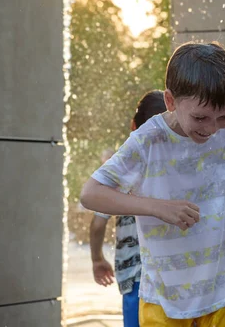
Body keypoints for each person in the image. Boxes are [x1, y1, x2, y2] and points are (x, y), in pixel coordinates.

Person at [80, 42, 225, 326]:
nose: (211, 129)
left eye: (223, 117)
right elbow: (91, 194)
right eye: (201, 117)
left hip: (221, 290)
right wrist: (157, 207)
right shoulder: (148, 141)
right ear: (171, 101)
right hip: (165, 296)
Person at [89, 90, 167, 327]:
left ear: (134, 126)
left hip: (133, 274)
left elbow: (97, 224)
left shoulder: (122, 166)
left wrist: (97, 258)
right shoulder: (174, 166)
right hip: (168, 272)